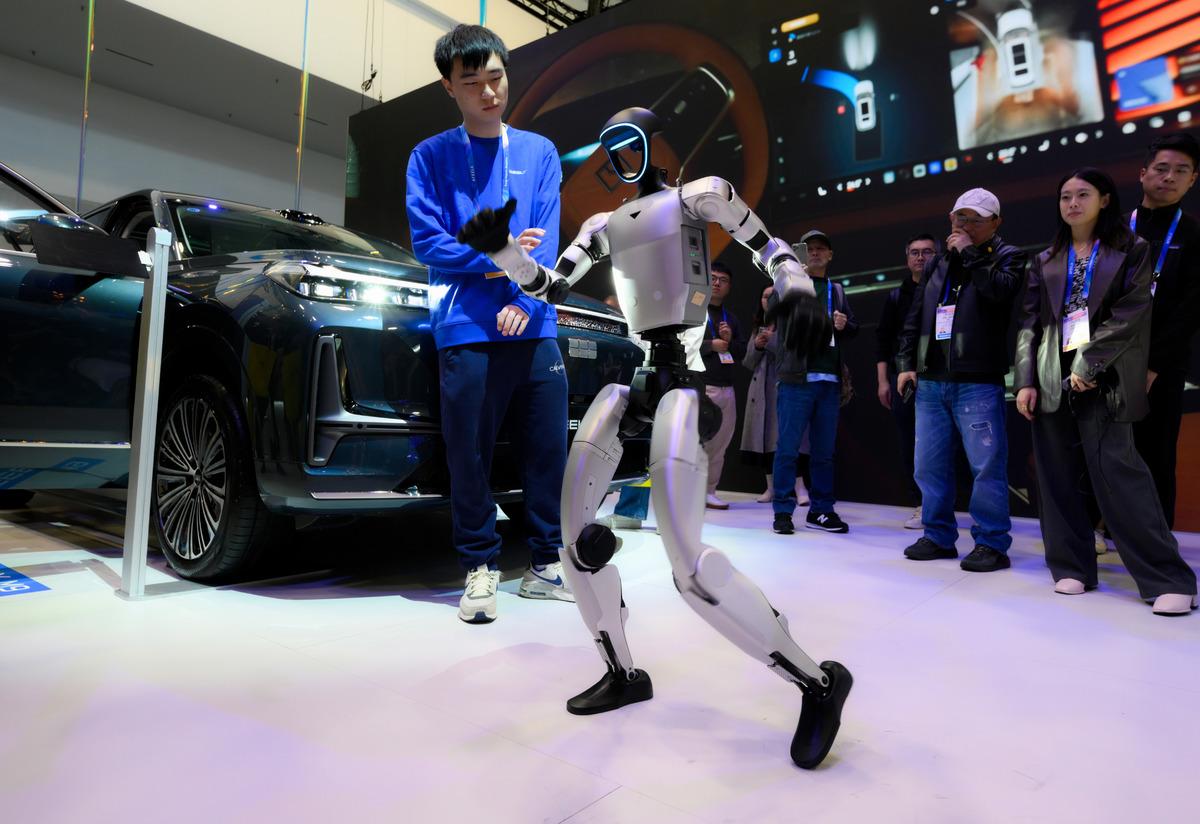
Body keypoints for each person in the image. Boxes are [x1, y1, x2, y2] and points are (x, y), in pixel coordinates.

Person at [405, 24, 572, 624]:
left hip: (535, 320)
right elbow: (428, 242)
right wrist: (499, 259)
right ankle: (479, 564)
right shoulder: (429, 156)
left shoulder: (539, 151)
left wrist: (525, 299)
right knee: (469, 451)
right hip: (464, 323)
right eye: (472, 82)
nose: (489, 92)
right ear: (449, 87)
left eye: (496, 77)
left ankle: (547, 564)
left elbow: (546, 237)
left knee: (547, 448)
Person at [1014, 167, 1197, 615]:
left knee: (1120, 476)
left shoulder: (1132, 249)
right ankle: (1071, 566)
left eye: (1083, 195)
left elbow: (1132, 312)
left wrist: (1088, 362)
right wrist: (1025, 380)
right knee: (1056, 478)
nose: (1073, 204)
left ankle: (1166, 578)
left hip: (1106, 376)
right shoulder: (1046, 258)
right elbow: (1029, 325)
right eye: (1065, 196)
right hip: (1052, 378)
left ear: (1105, 200)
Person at [896, 188, 1025, 572]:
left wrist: (970, 252)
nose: (964, 225)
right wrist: (905, 362)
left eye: (975, 219)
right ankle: (938, 535)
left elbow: (999, 293)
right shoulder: (937, 263)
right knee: (928, 465)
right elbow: (915, 315)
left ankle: (992, 543)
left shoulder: (1009, 256)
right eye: (959, 217)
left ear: (995, 223)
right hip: (931, 379)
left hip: (977, 379)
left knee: (986, 466)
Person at [1129, 132, 1200, 530]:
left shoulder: (1193, 234)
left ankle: (1156, 543)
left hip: (1162, 367)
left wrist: (1153, 364)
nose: (1169, 177)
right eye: (1161, 168)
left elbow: (1192, 308)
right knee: (1102, 452)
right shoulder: (1116, 229)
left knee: (1156, 456)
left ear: (1192, 180)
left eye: (1181, 171)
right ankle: (1100, 531)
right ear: (1143, 173)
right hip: (1106, 362)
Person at [771, 229, 858, 535]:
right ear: (799, 253)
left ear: (830, 255)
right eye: (809, 248)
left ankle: (821, 510)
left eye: (821, 248)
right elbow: (773, 311)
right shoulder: (789, 283)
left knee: (824, 452)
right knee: (787, 449)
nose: (815, 252)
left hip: (829, 380)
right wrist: (793, 282)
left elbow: (853, 328)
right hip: (797, 378)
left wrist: (844, 324)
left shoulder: (837, 290)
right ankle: (783, 511)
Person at [597, 295, 706, 531]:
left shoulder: (688, 292)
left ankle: (676, 520)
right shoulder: (650, 288)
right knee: (641, 443)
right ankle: (630, 512)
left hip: (680, 375)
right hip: (647, 371)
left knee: (676, 449)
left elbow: (691, 337)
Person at [875, 233, 937, 529]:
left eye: (927, 252)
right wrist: (883, 381)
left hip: (940, 377)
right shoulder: (896, 297)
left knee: (943, 444)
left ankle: (943, 504)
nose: (921, 257)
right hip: (904, 380)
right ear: (907, 258)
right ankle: (921, 504)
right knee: (910, 442)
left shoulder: (947, 289)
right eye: (915, 252)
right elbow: (883, 341)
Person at [741, 283, 811, 505]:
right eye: (765, 296)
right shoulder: (758, 326)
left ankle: (800, 488)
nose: (769, 300)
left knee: (790, 440)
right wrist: (758, 345)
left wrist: (770, 341)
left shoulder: (792, 323)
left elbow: (793, 355)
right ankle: (770, 487)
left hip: (784, 387)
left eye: (773, 296)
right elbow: (748, 362)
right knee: (764, 440)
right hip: (761, 391)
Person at [699, 260, 747, 509]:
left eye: (723, 280)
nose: (717, 283)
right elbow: (683, 344)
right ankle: (689, 491)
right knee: (694, 443)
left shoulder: (732, 319)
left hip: (727, 388)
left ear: (729, 286)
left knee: (720, 444)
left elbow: (741, 353)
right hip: (701, 386)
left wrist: (729, 340)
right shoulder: (694, 312)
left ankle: (709, 491)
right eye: (713, 278)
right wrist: (711, 345)